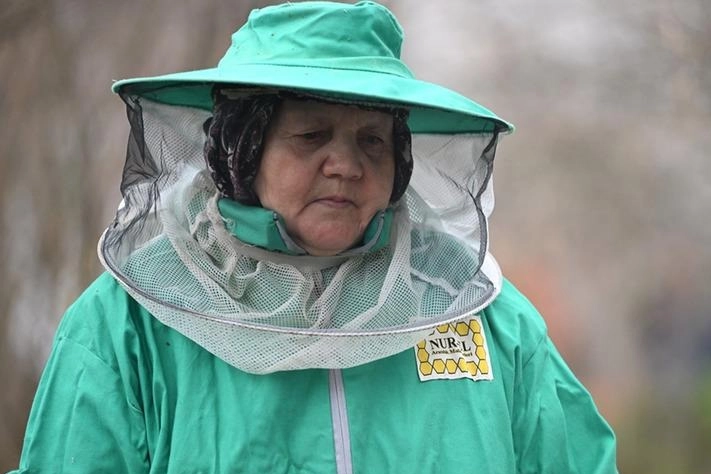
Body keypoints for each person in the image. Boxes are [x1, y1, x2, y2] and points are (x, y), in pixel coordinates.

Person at [10, 1, 617, 473]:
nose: (346, 165)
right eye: (310, 136)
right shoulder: (126, 327)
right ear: (241, 150)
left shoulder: (482, 317)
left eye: (371, 140)